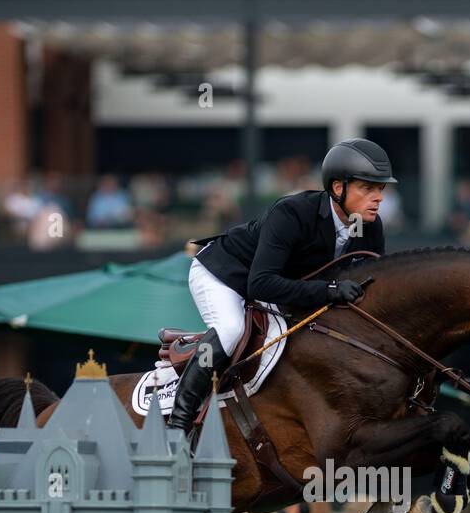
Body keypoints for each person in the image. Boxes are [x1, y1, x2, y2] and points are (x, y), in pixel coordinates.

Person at [167, 138, 396, 434]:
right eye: (368, 188)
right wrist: (328, 292)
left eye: (381, 189)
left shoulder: (370, 227)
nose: (378, 197)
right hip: (226, 274)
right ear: (338, 188)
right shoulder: (292, 213)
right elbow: (260, 284)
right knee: (230, 330)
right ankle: (179, 422)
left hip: (281, 285)